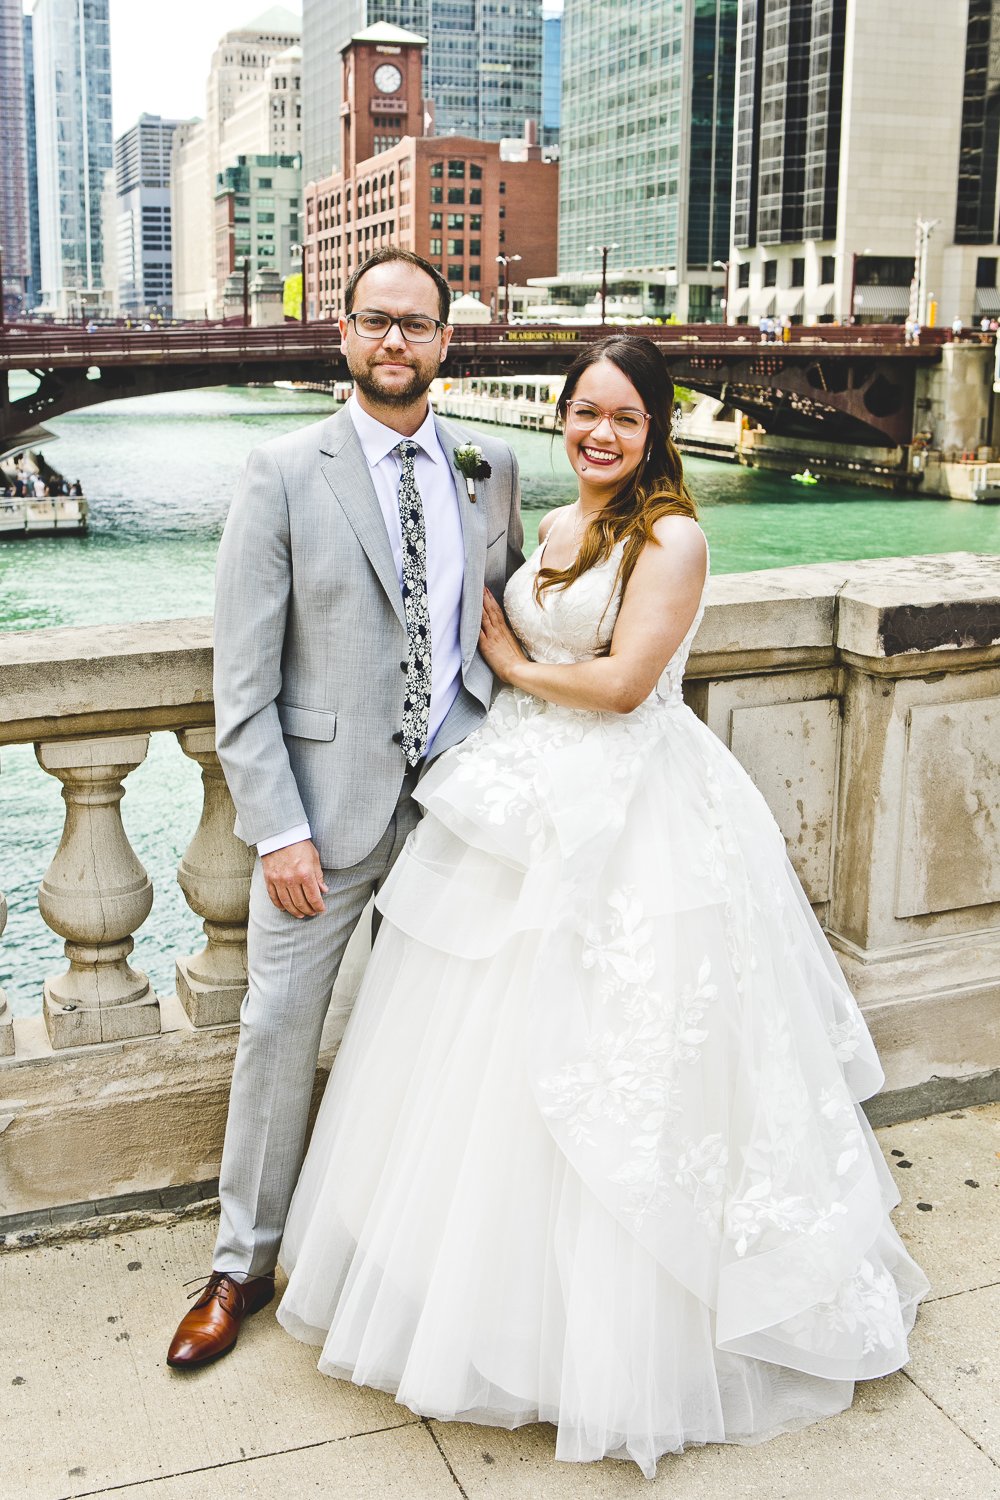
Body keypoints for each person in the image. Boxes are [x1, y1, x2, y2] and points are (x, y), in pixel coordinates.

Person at [275, 334, 928, 1478]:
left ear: (656, 431)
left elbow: (626, 685)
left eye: (624, 418)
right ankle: (483, 1297)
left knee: (618, 1057)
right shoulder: (559, 521)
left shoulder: (669, 533)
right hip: (524, 797)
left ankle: (630, 1329)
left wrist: (513, 665)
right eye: (584, 411)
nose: (598, 433)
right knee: (480, 1054)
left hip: (630, 811)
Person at [165, 247, 524, 1369]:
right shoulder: (278, 471)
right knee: (278, 1030)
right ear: (344, 333)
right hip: (322, 818)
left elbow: (499, 624)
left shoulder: (491, 464)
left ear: (446, 342)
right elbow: (243, 681)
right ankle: (240, 1265)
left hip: (458, 799)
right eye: (376, 322)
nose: (394, 344)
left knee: (453, 1034)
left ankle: (418, 1254)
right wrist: (277, 827)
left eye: (416, 326)